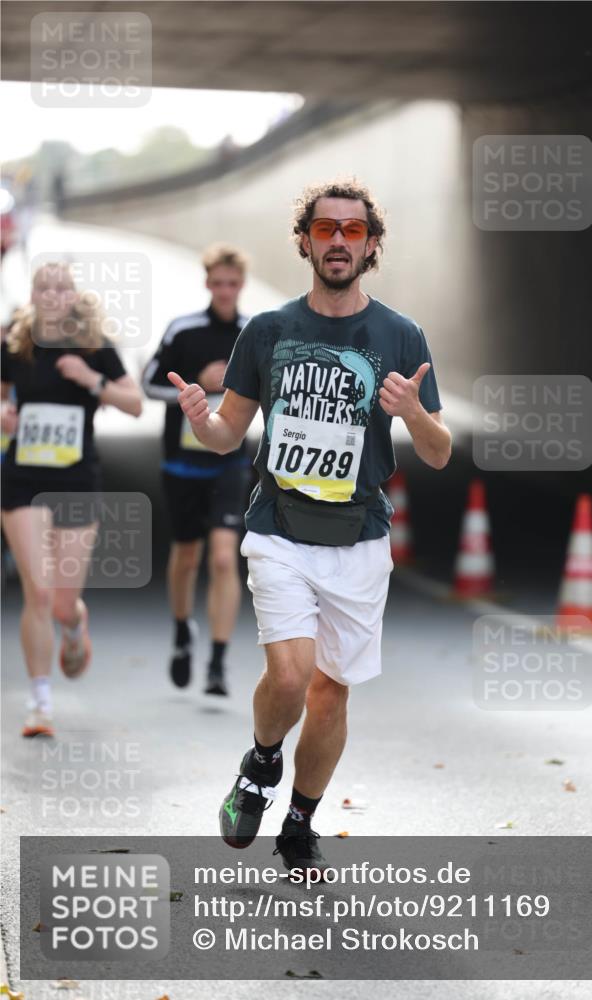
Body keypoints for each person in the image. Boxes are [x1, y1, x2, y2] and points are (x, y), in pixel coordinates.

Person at [168, 179, 452, 875]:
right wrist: (202, 420)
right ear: (304, 240)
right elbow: (229, 435)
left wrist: (412, 413)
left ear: (370, 244)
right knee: (291, 677)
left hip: (358, 541)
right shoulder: (267, 331)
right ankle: (261, 763)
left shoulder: (398, 335)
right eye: (325, 229)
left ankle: (299, 821)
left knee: (330, 691)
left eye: (351, 231)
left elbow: (440, 451)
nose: (336, 241)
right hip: (278, 529)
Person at [1, 262, 142, 737]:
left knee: (61, 603)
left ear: (74, 295)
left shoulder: (93, 348)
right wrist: (4, 413)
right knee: (37, 592)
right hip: (21, 482)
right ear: (34, 295)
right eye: (45, 286)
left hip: (76, 482)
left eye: (62, 286)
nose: (53, 294)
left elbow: (135, 402)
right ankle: (40, 703)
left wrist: (91, 380)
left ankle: (74, 623)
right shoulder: (14, 344)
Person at [142, 244, 251, 695]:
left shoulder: (253, 333)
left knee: (225, 557)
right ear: (207, 283)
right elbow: (148, 384)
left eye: (232, 283)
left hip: (230, 461)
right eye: (218, 283)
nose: (225, 291)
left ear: (241, 285)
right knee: (187, 556)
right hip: (183, 463)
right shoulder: (183, 330)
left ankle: (218, 663)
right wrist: (195, 390)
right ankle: (184, 631)